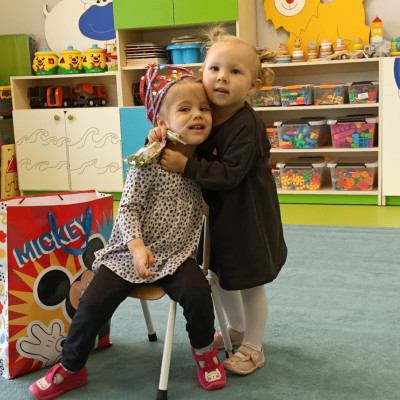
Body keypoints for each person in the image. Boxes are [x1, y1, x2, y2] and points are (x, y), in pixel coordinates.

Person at [28, 64, 226, 400]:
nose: (198, 115)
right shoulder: (147, 160)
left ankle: (205, 352)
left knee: (197, 293)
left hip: (177, 255)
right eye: (185, 109)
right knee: (92, 302)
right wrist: (136, 248)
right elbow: (128, 208)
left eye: (204, 108)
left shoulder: (206, 162)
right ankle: (71, 367)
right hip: (127, 253)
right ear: (161, 123)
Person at [149, 28, 288, 376]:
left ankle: (253, 347)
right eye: (214, 69)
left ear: (252, 86)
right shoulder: (205, 110)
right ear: (202, 73)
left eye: (234, 71)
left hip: (249, 217)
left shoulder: (246, 125)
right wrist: (161, 134)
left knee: (250, 283)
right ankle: (236, 330)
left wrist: (187, 166)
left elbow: (230, 173)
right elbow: (180, 132)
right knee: (220, 276)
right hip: (217, 217)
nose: (222, 77)